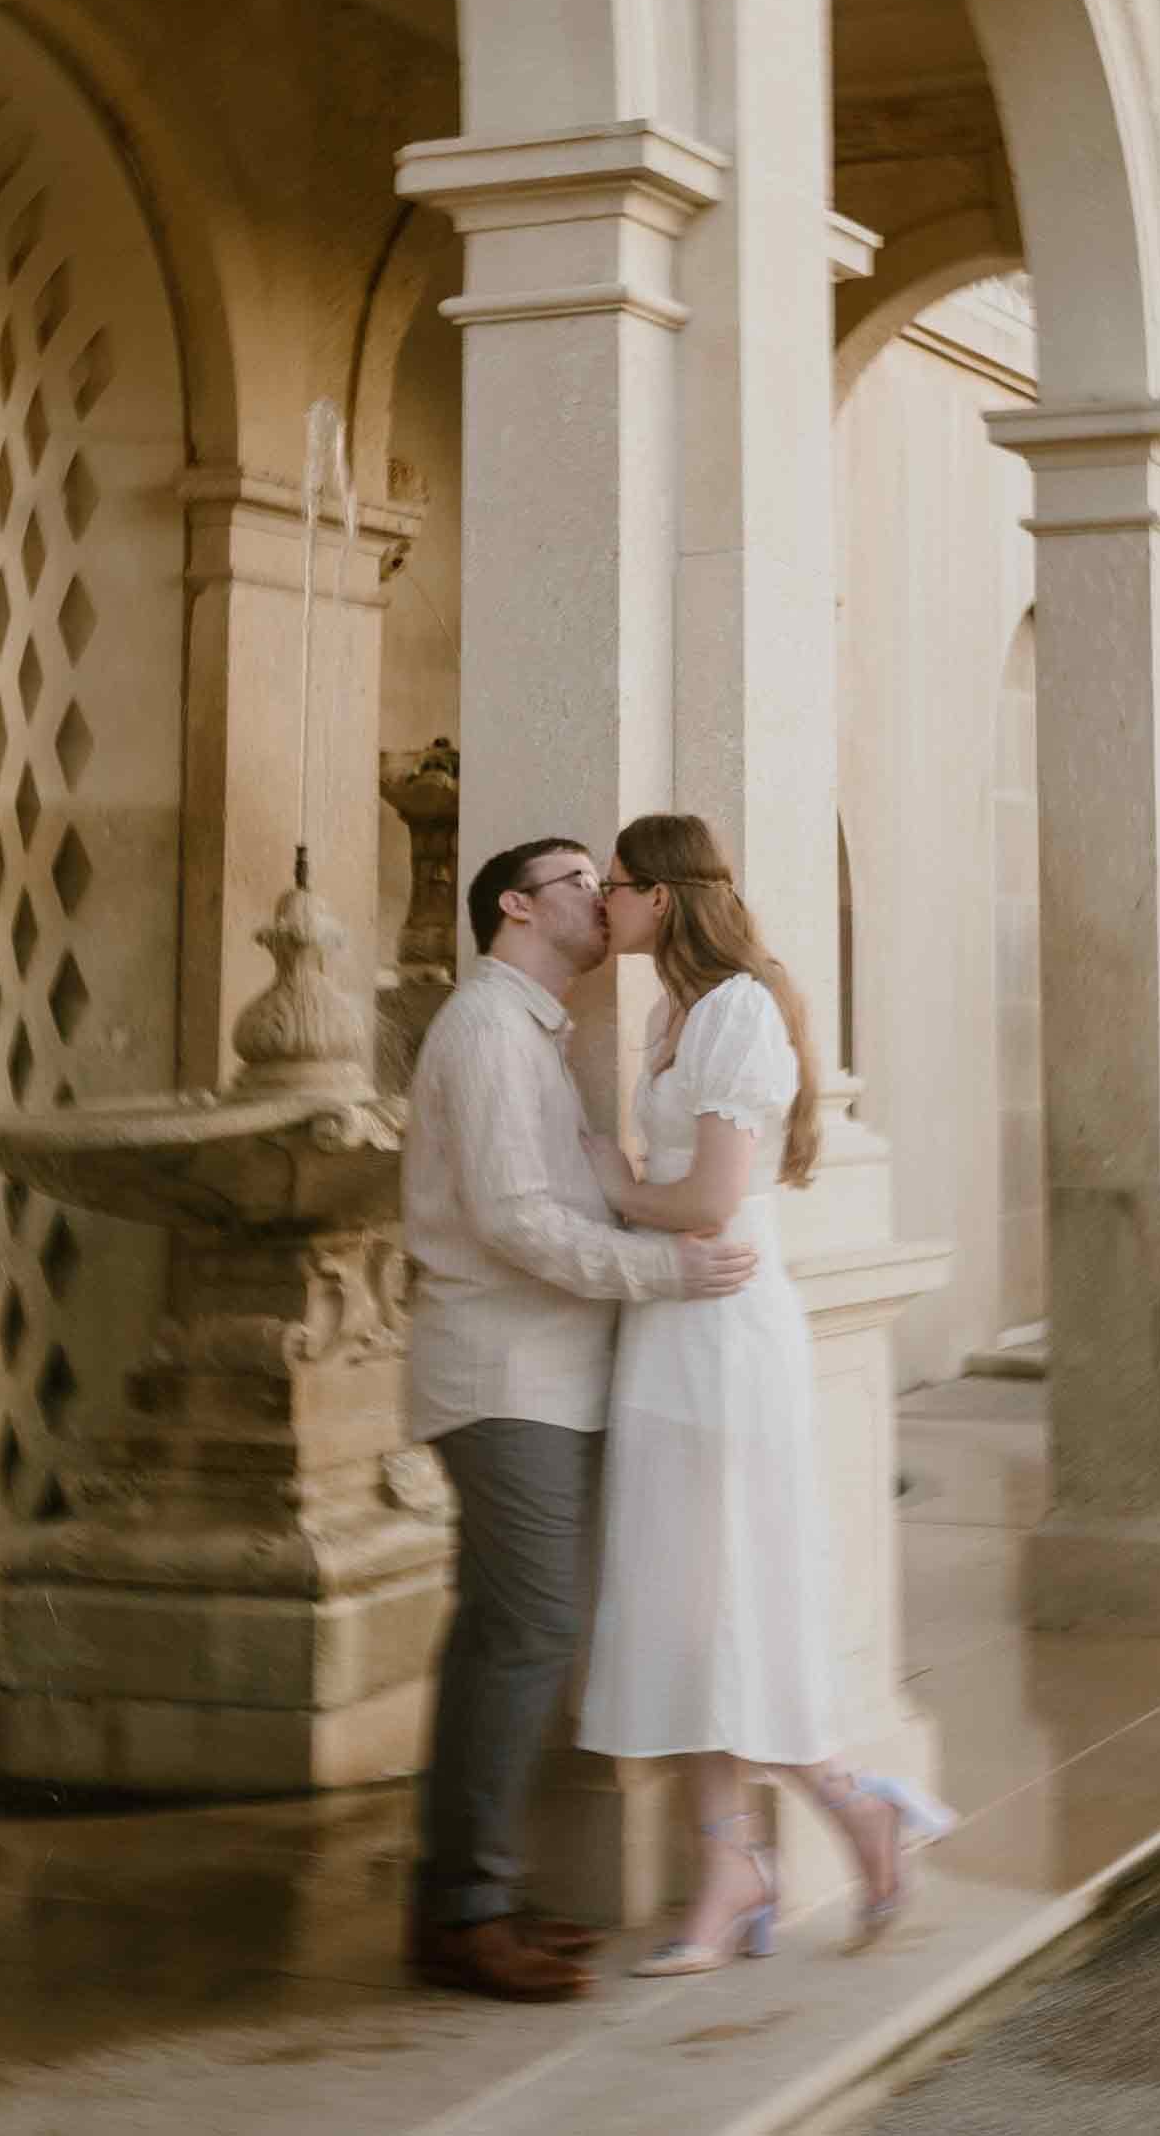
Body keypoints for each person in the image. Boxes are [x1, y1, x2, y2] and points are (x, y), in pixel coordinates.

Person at [576, 813, 954, 1971]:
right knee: (681, 1602)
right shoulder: (667, 1015)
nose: (604, 909)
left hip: (727, 1332)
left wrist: (612, 1179)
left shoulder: (738, 1009)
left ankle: (846, 1805)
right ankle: (733, 1859)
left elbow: (706, 1201)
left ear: (664, 898)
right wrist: (643, 1191)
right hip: (669, 1329)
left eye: (618, 889)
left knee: (735, 1595)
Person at [402, 833, 760, 2004]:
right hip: (505, 1379)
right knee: (528, 1633)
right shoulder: (488, 1031)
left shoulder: (532, 1035)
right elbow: (512, 1221)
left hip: (543, 1374)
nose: (600, 901)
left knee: (508, 1635)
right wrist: (666, 1273)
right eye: (576, 883)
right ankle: (465, 1911)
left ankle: (470, 1894)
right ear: (515, 906)